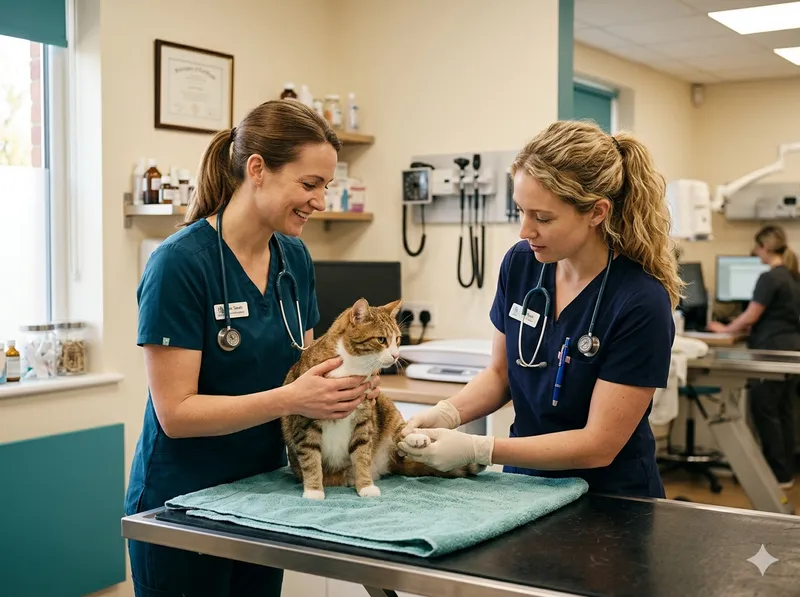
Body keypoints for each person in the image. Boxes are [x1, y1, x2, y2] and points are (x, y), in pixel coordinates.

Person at [124, 100, 381, 597]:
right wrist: (294, 399)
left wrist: (348, 388)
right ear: (257, 170)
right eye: (310, 184)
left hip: (265, 491)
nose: (321, 201)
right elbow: (175, 413)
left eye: (326, 185)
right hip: (183, 500)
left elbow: (311, 368)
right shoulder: (179, 264)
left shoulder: (295, 256)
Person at [398, 120, 682, 499]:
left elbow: (599, 444)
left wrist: (480, 449)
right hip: (524, 487)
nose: (524, 230)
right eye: (520, 211)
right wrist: (446, 412)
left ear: (597, 212)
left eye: (543, 218)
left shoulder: (640, 300)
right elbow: (500, 374)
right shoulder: (521, 264)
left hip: (610, 499)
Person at [707, 225, 800, 488]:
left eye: (757, 248)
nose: (755, 253)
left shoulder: (770, 278)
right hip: (792, 349)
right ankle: (785, 473)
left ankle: (774, 474)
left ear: (765, 247)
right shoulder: (794, 276)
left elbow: (752, 314)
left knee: (765, 410)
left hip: (771, 351)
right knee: (784, 411)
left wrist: (723, 329)